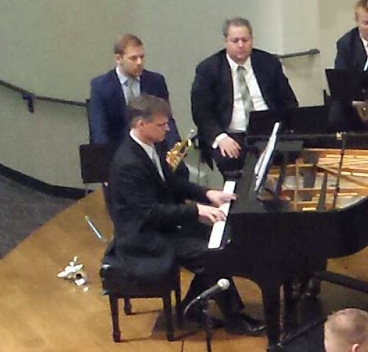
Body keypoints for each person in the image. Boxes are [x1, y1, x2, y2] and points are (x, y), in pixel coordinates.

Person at [100, 96, 262, 334]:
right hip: (143, 238)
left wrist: (207, 194)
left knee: (222, 241)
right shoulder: (128, 164)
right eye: (161, 124)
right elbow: (148, 213)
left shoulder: (152, 145)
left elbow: (171, 182)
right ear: (140, 124)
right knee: (212, 255)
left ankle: (195, 308)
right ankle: (233, 319)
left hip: (161, 226)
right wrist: (196, 210)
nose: (167, 128)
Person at [190, 17, 299, 174]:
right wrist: (220, 138)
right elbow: (201, 111)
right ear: (225, 41)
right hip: (231, 135)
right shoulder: (209, 69)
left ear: (252, 40)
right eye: (235, 41)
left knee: (291, 160)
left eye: (245, 40)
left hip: (268, 133)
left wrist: (284, 131)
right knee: (233, 165)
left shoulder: (268, 62)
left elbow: (288, 101)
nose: (241, 45)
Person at [88, 34, 179, 147]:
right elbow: (99, 128)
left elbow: (166, 118)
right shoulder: (101, 86)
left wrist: (174, 146)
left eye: (142, 57)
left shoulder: (156, 81)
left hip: (153, 148)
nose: (139, 62)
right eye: (133, 58)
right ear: (118, 59)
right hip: (117, 151)